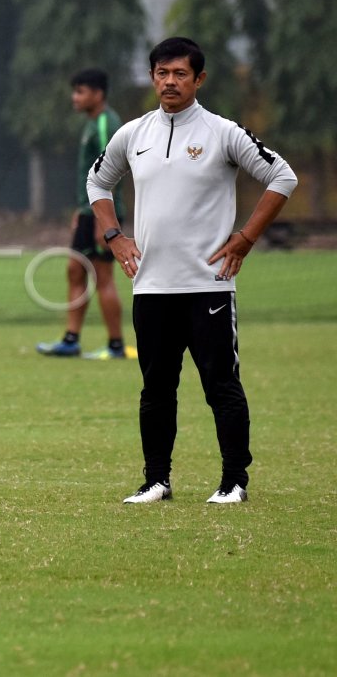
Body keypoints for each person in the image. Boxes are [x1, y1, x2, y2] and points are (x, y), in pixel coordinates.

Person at [87, 37, 297, 505]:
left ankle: (234, 481)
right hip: (151, 287)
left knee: (221, 385)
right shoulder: (132, 134)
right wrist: (114, 236)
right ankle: (156, 481)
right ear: (151, 78)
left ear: (199, 79)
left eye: (180, 73)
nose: (169, 81)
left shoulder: (222, 132)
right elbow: (98, 181)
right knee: (156, 389)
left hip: (208, 286)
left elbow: (282, 176)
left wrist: (245, 237)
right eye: (162, 73)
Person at [37, 68, 129, 360]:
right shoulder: (92, 123)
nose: (74, 97)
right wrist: (81, 211)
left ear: (98, 94)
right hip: (89, 212)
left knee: (103, 276)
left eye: (80, 91)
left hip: (102, 214)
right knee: (75, 270)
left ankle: (115, 345)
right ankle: (71, 339)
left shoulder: (105, 123)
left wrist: (105, 221)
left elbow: (112, 173)